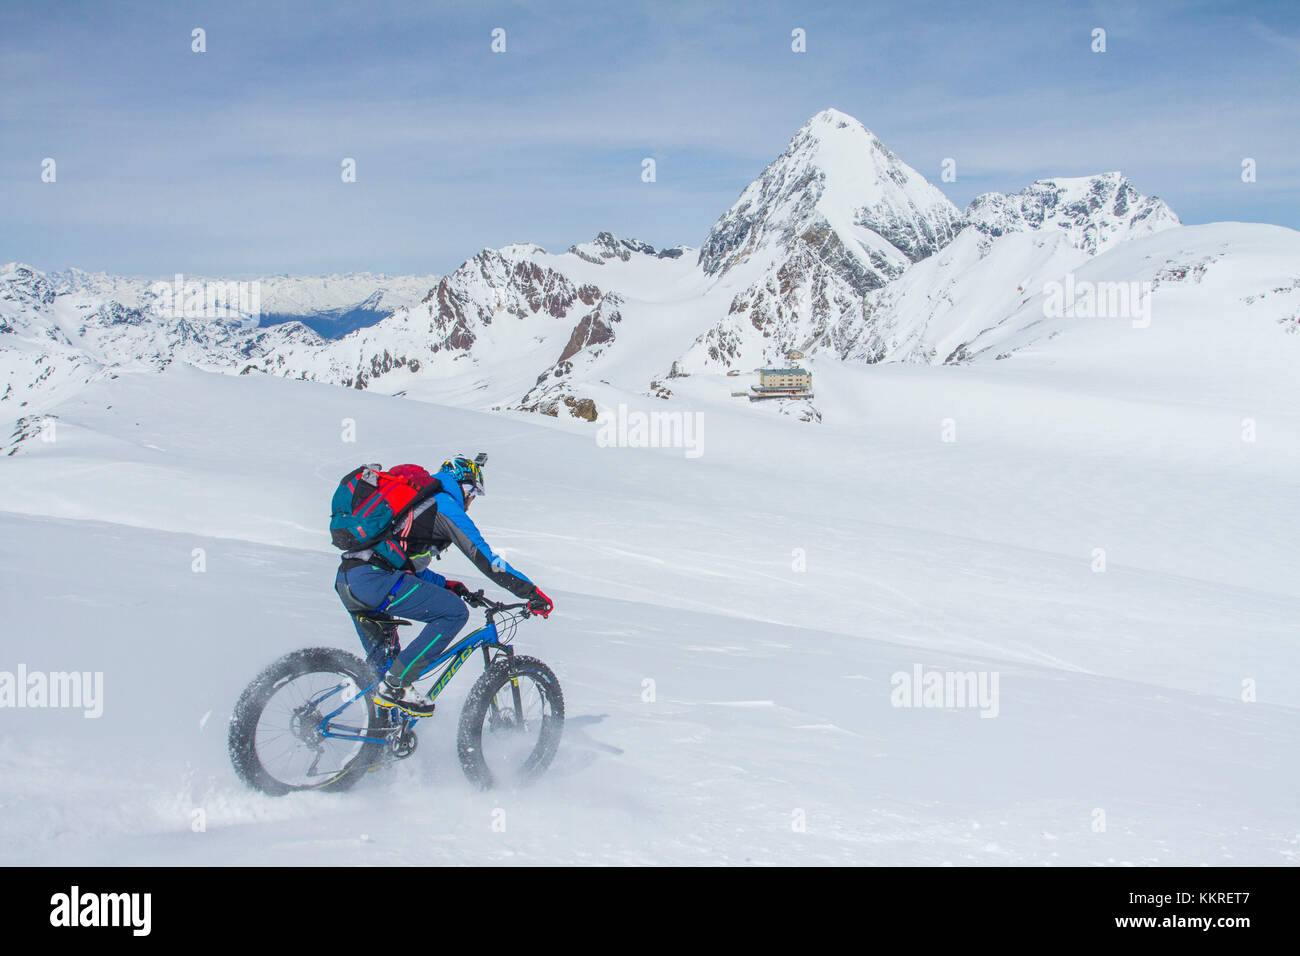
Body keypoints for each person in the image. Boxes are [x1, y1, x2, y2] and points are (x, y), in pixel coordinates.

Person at [333, 455, 553, 717]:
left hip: (351, 581)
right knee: (454, 613)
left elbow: (401, 565)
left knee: (380, 672)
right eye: (473, 494)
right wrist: (530, 592)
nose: (471, 503)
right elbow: (485, 559)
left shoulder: (413, 506)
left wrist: (448, 585)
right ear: (465, 486)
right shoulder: (443, 504)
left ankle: (378, 744)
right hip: (375, 581)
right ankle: (396, 685)